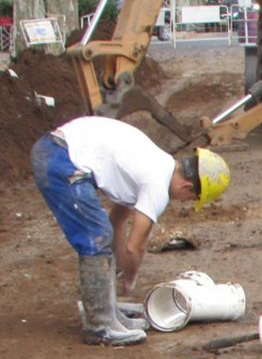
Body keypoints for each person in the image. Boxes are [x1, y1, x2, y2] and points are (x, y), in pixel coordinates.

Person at [30, 116, 230, 346]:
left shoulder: (151, 163)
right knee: (96, 235)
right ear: (186, 186)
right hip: (60, 159)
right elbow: (135, 246)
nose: (184, 202)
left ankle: (109, 315)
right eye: (190, 198)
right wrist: (130, 276)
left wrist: (122, 267)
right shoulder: (157, 185)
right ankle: (99, 326)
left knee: (101, 232)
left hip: (55, 150)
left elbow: (117, 221)